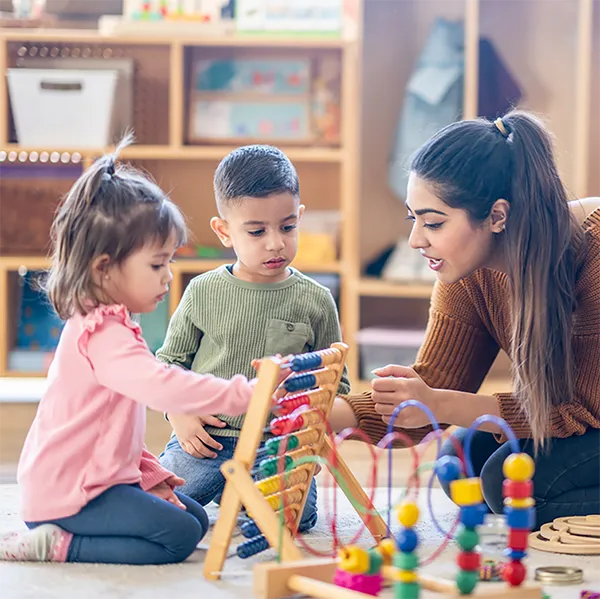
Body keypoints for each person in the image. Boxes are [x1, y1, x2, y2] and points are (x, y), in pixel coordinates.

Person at [0, 137, 274, 565]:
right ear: (104, 268)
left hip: (97, 479)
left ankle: (74, 529)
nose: (168, 277)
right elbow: (163, 388)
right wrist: (246, 394)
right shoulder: (101, 334)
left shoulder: (112, 322)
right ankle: (54, 544)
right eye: (156, 264)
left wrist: (150, 476)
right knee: (179, 536)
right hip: (71, 494)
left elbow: (112, 429)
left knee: (197, 518)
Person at [330, 110, 600, 527]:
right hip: (580, 416)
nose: (416, 240)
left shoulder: (592, 259)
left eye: (433, 222)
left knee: (507, 488)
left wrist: (437, 403)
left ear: (497, 216)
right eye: (413, 218)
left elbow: (583, 409)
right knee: (458, 462)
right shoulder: (465, 270)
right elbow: (435, 386)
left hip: (592, 410)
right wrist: (328, 415)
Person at [157, 145, 350, 532]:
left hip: (276, 447)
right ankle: (229, 489)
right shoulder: (202, 291)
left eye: (288, 226)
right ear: (224, 231)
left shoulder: (317, 300)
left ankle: (239, 493)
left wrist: (304, 427)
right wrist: (179, 414)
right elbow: (167, 365)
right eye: (257, 231)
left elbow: (337, 384)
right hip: (207, 439)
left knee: (293, 520)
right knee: (157, 506)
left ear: (300, 218)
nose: (275, 243)